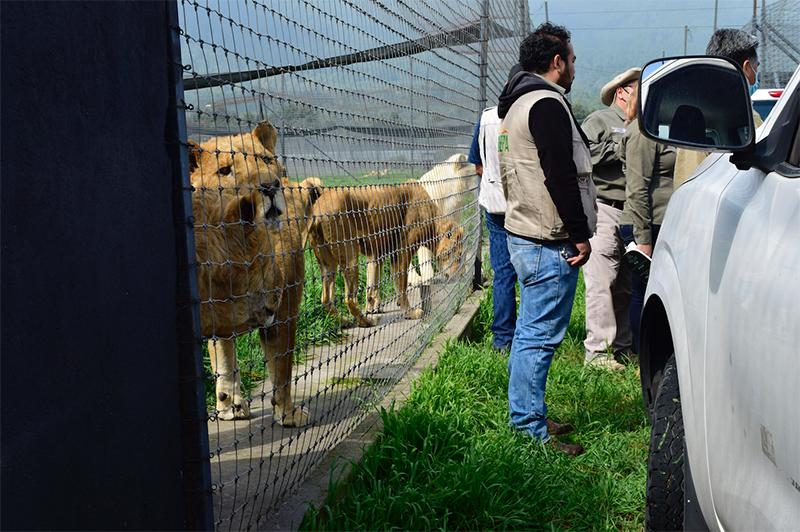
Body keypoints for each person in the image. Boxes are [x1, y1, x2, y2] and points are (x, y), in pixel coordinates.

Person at [498, 23, 596, 456]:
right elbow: (559, 176)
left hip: (522, 233)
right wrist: (580, 235)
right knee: (538, 337)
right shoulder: (546, 104)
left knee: (528, 334)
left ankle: (528, 411)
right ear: (556, 62)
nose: (575, 66)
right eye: (572, 59)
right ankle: (528, 429)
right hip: (547, 239)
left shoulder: (515, 105)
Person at [580, 68, 640, 371]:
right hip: (604, 207)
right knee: (601, 281)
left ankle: (623, 346)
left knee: (625, 284)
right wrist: (624, 140)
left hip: (633, 210)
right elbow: (585, 155)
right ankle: (598, 355)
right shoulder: (599, 121)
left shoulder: (646, 123)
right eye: (638, 88)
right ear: (622, 91)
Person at [467, 64, 525, 353]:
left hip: (494, 206)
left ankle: (503, 339)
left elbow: (477, 163)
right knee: (529, 271)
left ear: (505, 82)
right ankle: (529, 336)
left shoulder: (487, 117)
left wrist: (493, 181)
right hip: (525, 207)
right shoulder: (530, 112)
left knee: (503, 273)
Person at [619, 83, 675, 352]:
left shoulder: (657, 131)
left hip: (659, 221)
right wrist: (643, 239)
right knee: (642, 293)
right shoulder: (642, 133)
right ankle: (645, 358)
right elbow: (637, 188)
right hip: (646, 224)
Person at [673, 28, 762, 188]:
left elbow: (685, 184)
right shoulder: (747, 117)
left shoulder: (702, 114)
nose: (757, 75)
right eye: (757, 67)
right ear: (747, 68)